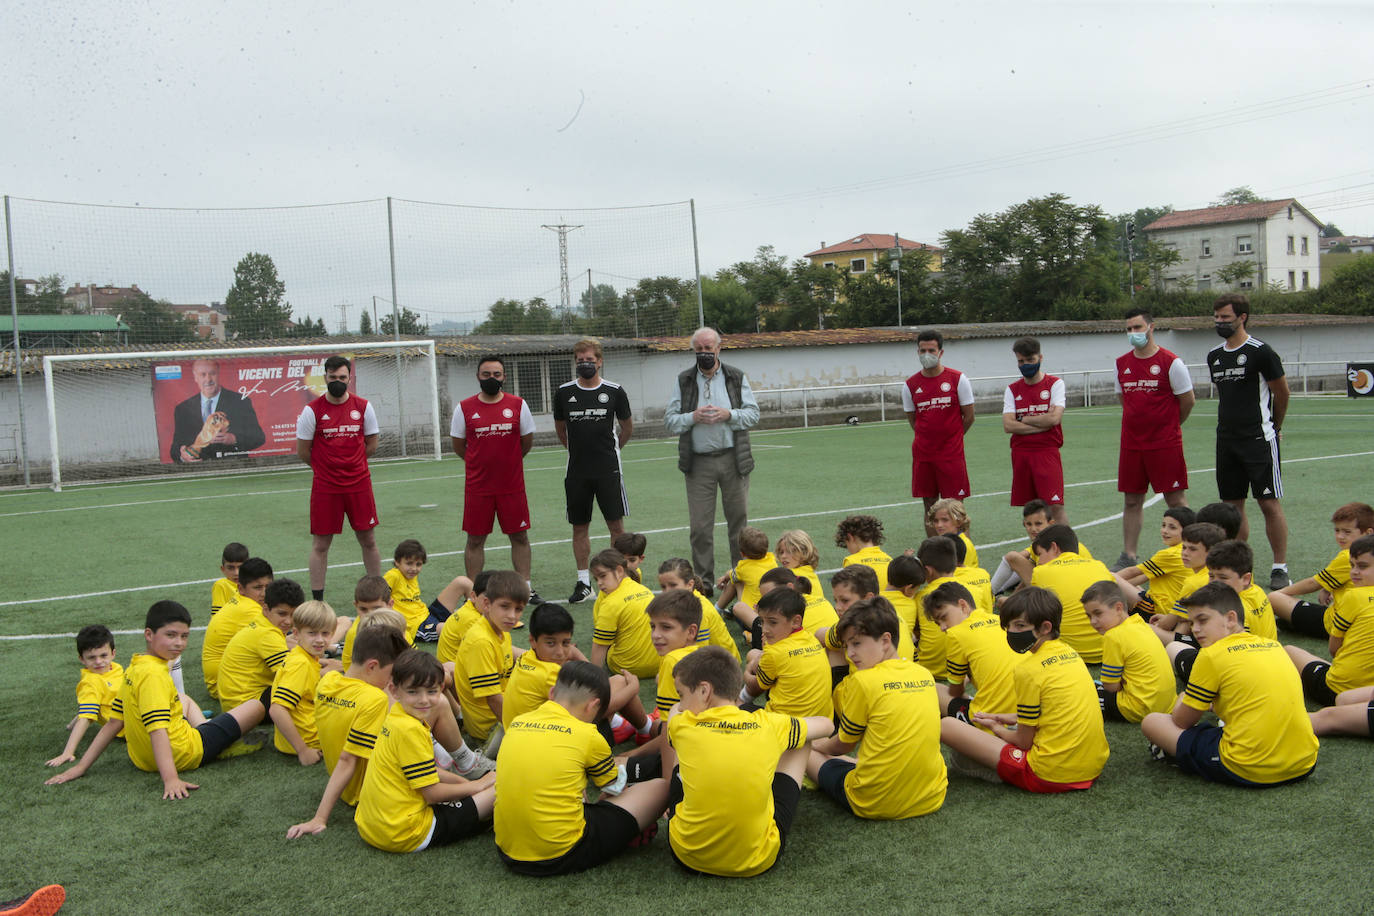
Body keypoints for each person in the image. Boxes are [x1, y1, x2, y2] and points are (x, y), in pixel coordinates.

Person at [46, 601, 266, 799]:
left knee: (182, 700)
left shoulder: (135, 666)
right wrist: (170, 779)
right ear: (149, 635)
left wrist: (81, 766)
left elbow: (115, 722)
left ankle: (213, 734)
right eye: (171, 635)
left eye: (184, 636)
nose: (179, 643)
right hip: (186, 753)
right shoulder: (154, 676)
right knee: (257, 705)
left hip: (141, 760)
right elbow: (157, 730)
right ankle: (220, 746)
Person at [662, 646, 834, 877]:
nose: (681, 704)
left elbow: (675, 713)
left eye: (681, 694)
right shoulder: (769, 724)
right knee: (801, 740)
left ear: (704, 691)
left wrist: (682, 710)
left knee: (679, 746)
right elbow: (827, 725)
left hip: (687, 856)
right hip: (757, 860)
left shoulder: (682, 724)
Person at [495, 661, 668, 875]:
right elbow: (613, 789)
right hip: (561, 854)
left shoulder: (518, 722)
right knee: (661, 788)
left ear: (551, 693)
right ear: (592, 706)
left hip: (507, 850)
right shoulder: (587, 734)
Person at [1141, 583, 1317, 787]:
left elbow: (1182, 722)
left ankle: (1176, 754)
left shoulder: (1211, 655)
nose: (1195, 629)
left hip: (1250, 767)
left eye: (1203, 620)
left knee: (1152, 722)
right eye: (1191, 622)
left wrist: (1183, 699)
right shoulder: (1274, 646)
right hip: (1305, 762)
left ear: (1231, 618)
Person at [938, 588, 1110, 793]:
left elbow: (1023, 741)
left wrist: (997, 728)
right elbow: (1052, 710)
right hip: (1092, 767)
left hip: (1048, 774)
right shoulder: (1071, 653)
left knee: (949, 729)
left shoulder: (1028, 669)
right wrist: (1010, 718)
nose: (1011, 632)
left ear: (1045, 627)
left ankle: (999, 771)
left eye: (1019, 626)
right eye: (1008, 626)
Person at [807, 599, 947, 820]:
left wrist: (815, 745)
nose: (849, 654)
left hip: (876, 802)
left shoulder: (864, 681)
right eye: (847, 646)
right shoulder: (923, 673)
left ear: (885, 640)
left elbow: (843, 744)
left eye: (857, 644)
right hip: (932, 796)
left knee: (801, 751)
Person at [353, 651, 497, 853]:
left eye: (431, 691)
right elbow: (432, 794)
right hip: (405, 832)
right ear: (395, 690)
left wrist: (465, 784)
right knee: (500, 787)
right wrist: (476, 786)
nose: (424, 700)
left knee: (481, 786)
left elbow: (426, 771)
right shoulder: (410, 730)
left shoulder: (397, 716)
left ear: (441, 689)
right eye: (413, 692)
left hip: (372, 825)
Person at [286, 624, 409, 838]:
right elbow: (348, 759)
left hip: (344, 788)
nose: (393, 681)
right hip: (370, 792)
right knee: (436, 704)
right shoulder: (374, 699)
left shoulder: (328, 681)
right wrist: (320, 818)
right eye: (392, 674)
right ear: (371, 666)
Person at [663, 327, 760, 588]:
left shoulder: (736, 377)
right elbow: (670, 421)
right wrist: (692, 417)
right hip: (698, 464)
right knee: (700, 528)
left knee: (739, 527)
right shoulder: (684, 380)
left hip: (734, 460)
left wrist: (729, 415)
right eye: (699, 349)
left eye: (709, 348)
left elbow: (753, 414)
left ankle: (739, 582)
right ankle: (704, 584)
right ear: (694, 350)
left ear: (719, 348)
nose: (704, 353)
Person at [1207, 293, 1291, 589]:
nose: (1220, 323)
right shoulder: (1214, 356)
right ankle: (1238, 565)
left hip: (1259, 439)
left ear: (1242, 317)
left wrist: (1274, 426)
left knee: (1268, 502)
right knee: (1232, 507)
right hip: (1226, 440)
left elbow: (1282, 393)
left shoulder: (1261, 352)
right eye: (1216, 318)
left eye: (1225, 318)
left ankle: (1280, 566)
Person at [553, 338, 634, 604]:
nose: (585, 364)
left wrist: (613, 450)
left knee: (616, 527)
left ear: (599, 361)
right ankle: (584, 582)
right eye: (580, 360)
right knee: (580, 528)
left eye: (589, 360)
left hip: (608, 470)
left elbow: (627, 427)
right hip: (576, 472)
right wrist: (578, 451)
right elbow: (561, 431)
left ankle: (616, 578)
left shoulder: (614, 391)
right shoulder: (564, 392)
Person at [1114, 308, 1195, 570]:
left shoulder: (1171, 362)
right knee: (1131, 500)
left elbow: (1187, 401)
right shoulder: (1122, 363)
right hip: (1132, 445)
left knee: (1176, 500)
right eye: (1129, 329)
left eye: (1137, 327)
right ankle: (1128, 554)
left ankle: (1191, 550)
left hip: (1164, 444)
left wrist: (1169, 426)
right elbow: (1123, 400)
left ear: (1151, 327)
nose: (1133, 333)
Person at [296, 355, 381, 601]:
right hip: (326, 487)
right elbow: (304, 451)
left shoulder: (363, 406)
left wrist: (352, 465)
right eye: (332, 377)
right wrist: (326, 469)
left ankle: (378, 595)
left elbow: (372, 444)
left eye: (342, 377)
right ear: (325, 378)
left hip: (359, 485)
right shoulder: (312, 411)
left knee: (368, 539)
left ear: (349, 378)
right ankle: (318, 600)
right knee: (321, 545)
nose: (337, 381)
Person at [451, 355, 537, 596]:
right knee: (475, 540)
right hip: (479, 487)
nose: (492, 379)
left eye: (496, 375)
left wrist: (508, 463)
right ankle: (474, 592)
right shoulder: (464, 407)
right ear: (478, 377)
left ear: (504, 377)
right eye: (487, 375)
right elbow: (459, 445)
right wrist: (479, 464)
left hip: (512, 486)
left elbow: (526, 442)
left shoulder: (518, 404)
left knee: (520, 536)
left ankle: (525, 588)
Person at [1282, 533, 1374, 707]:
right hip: (1367, 695)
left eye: (1362, 566)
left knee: (1288, 650)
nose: (1354, 571)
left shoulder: (1354, 596)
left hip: (1338, 689)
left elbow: (1334, 649)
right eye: (1352, 565)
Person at [903, 330, 976, 533]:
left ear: (941, 352)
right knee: (929, 509)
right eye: (923, 350)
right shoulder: (910, 385)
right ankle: (933, 556)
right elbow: (914, 420)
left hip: (951, 455)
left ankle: (963, 559)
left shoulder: (958, 379)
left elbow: (969, 416)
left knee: (956, 510)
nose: (927, 354)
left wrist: (953, 438)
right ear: (917, 352)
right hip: (924, 455)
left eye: (931, 350)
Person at [922, 581, 1018, 730]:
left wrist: (963, 680)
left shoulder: (956, 634)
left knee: (932, 689)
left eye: (944, 617)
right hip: (1030, 717)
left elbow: (955, 691)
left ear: (963, 606)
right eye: (937, 623)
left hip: (996, 723)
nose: (942, 627)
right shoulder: (999, 620)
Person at [1271, 502, 1374, 638]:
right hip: (1364, 620)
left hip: (1336, 623)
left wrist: (1281, 594)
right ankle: (1293, 622)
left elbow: (1313, 583)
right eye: (1337, 530)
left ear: (1368, 533)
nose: (1340, 536)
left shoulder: (1347, 555)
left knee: (1273, 598)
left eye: (1347, 532)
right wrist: (1328, 588)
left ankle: (1293, 622)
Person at [1081, 580, 1175, 722]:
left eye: (1098, 613)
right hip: (1167, 704)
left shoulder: (1113, 636)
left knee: (1079, 691)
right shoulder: (1139, 622)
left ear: (1119, 608)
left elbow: (1111, 687)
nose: (1093, 621)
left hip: (1140, 708)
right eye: (1089, 616)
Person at [454, 569, 527, 750]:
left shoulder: (501, 630)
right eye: (505, 606)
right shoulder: (480, 641)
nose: (512, 615)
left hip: (505, 711)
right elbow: (493, 699)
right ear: (486, 604)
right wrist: (518, 732)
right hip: (491, 729)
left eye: (518, 609)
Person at [1002, 337, 1067, 523]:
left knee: (1055, 507)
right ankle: (1038, 550)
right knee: (1031, 510)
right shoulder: (1012, 389)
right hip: (1021, 454)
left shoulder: (1055, 384)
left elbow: (1054, 419)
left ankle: (1068, 550)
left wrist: (1022, 419)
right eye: (1021, 361)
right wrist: (1041, 423)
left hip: (1047, 452)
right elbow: (1008, 425)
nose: (1025, 365)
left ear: (1040, 357)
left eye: (1030, 360)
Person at [740, 588, 832, 718]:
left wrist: (747, 671)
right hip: (820, 723)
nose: (764, 629)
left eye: (773, 622)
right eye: (762, 621)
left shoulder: (774, 652)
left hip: (783, 726)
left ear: (796, 621)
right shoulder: (810, 638)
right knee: (757, 655)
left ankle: (741, 699)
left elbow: (755, 684)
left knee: (737, 710)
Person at [216, 578, 304, 711]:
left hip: (237, 701)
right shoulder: (267, 634)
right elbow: (293, 674)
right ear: (266, 609)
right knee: (308, 691)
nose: (288, 621)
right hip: (245, 705)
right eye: (282, 614)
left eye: (294, 615)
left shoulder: (264, 623)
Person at [1029, 525, 1111, 664]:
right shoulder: (1099, 565)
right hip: (1109, 651)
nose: (1039, 561)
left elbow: (1033, 614)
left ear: (1054, 547)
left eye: (1040, 554)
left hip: (1069, 654)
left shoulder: (1041, 571)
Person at [268, 600, 337, 765]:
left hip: (303, 735)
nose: (320, 640)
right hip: (310, 741)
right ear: (296, 634)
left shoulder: (303, 656)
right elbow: (277, 709)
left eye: (325, 633)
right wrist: (303, 750)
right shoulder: (300, 664)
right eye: (312, 633)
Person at [46, 625, 124, 767]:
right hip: (130, 727)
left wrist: (71, 724)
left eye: (103, 655)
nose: (99, 662)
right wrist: (68, 752)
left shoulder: (115, 668)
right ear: (82, 659)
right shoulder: (91, 683)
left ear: (113, 653)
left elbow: (101, 701)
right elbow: (87, 715)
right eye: (92, 658)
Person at [201, 557, 273, 700]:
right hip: (229, 687)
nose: (264, 593)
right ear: (241, 588)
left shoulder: (242, 600)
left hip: (224, 682)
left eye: (268, 587)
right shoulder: (251, 609)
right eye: (258, 588)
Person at [170, 358, 265, 463]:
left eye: (212, 373)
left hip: (234, 466)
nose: (208, 379)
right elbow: (175, 449)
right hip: (198, 470)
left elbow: (258, 437)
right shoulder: (183, 409)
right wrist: (183, 455)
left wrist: (234, 439)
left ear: (219, 374)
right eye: (203, 375)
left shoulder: (240, 401)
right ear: (195, 377)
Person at [383, 538, 473, 644]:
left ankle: (482, 615)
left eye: (418, 564)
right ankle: (479, 630)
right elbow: (379, 598)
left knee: (462, 582)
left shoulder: (410, 575)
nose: (414, 568)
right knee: (453, 628)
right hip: (417, 627)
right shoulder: (393, 575)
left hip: (428, 614)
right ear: (397, 562)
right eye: (409, 563)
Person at [588, 548, 659, 679]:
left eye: (603, 576)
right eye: (596, 578)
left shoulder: (610, 603)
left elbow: (600, 646)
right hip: (658, 664)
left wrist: (592, 678)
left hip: (627, 668)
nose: (599, 583)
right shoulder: (645, 590)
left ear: (620, 571)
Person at [715, 526, 777, 615]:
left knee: (735, 581)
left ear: (742, 553)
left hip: (750, 617)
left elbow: (730, 574)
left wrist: (724, 578)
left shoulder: (743, 568)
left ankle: (716, 610)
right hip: (771, 612)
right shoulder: (772, 560)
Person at [210, 542, 248, 616]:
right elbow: (217, 617)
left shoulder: (254, 585)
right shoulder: (221, 585)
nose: (236, 573)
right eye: (231, 568)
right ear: (223, 569)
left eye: (240, 567)